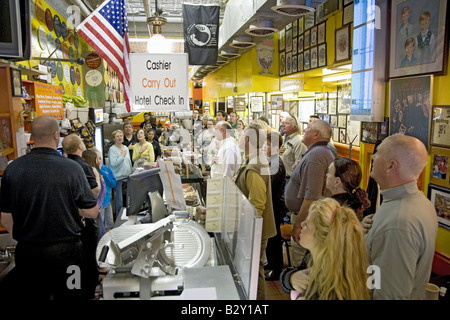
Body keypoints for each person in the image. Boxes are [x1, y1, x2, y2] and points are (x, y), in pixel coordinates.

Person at [0, 115, 98, 300]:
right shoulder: (71, 168)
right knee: (72, 295)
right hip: (67, 253)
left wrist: (25, 235)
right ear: (56, 135)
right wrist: (66, 206)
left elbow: (5, 217)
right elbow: (91, 211)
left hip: (28, 255)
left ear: (33, 136)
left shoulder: (12, 170)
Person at [364, 134, 438, 299]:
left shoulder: (398, 222)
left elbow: (390, 294)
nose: (373, 156)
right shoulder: (420, 203)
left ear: (391, 166)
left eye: (378, 153)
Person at [284, 198, 371, 300]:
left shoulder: (330, 288)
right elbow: (292, 272)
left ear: (320, 236)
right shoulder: (313, 258)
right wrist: (291, 278)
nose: (302, 224)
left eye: (307, 224)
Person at [234, 122, 276, 300]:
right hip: (252, 228)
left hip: (253, 230)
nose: (239, 138)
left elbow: (257, 205)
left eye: (241, 135)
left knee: (253, 271)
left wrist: (247, 231)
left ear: (248, 139)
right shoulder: (253, 159)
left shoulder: (255, 165)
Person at [285, 119, 335, 265]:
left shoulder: (316, 156)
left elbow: (312, 196)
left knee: (302, 262)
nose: (303, 131)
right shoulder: (318, 152)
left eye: (307, 129)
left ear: (316, 134)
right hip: (308, 218)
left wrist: (299, 224)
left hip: (308, 220)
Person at [63, 134, 102, 299]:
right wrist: (97, 181)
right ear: (80, 146)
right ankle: (91, 289)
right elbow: (94, 191)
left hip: (66, 224)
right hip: (84, 219)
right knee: (88, 254)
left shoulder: (63, 165)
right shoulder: (84, 166)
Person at [264, 131, 288, 281]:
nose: (264, 147)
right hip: (270, 205)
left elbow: (268, 184)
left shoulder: (276, 163)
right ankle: (271, 263)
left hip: (275, 206)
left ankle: (277, 268)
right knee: (269, 238)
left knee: (274, 239)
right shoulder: (269, 160)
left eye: (266, 144)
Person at [108, 129, 133, 218]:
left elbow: (128, 162)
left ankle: (128, 215)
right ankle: (119, 217)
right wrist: (121, 155)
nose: (120, 138)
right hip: (118, 178)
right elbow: (114, 163)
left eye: (121, 136)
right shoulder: (112, 149)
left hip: (127, 176)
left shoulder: (125, 147)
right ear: (114, 139)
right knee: (119, 200)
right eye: (117, 136)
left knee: (128, 199)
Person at [94, 148, 116, 231]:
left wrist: (102, 172)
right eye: (96, 159)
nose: (99, 161)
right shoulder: (92, 171)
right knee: (101, 226)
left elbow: (112, 183)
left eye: (100, 158)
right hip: (99, 204)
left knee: (110, 224)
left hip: (107, 201)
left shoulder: (106, 169)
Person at [279, 115, 307, 180]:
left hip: (290, 179)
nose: (283, 125)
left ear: (294, 127)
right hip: (281, 178)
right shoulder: (284, 138)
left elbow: (299, 164)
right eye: (283, 123)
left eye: (287, 123)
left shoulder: (299, 141)